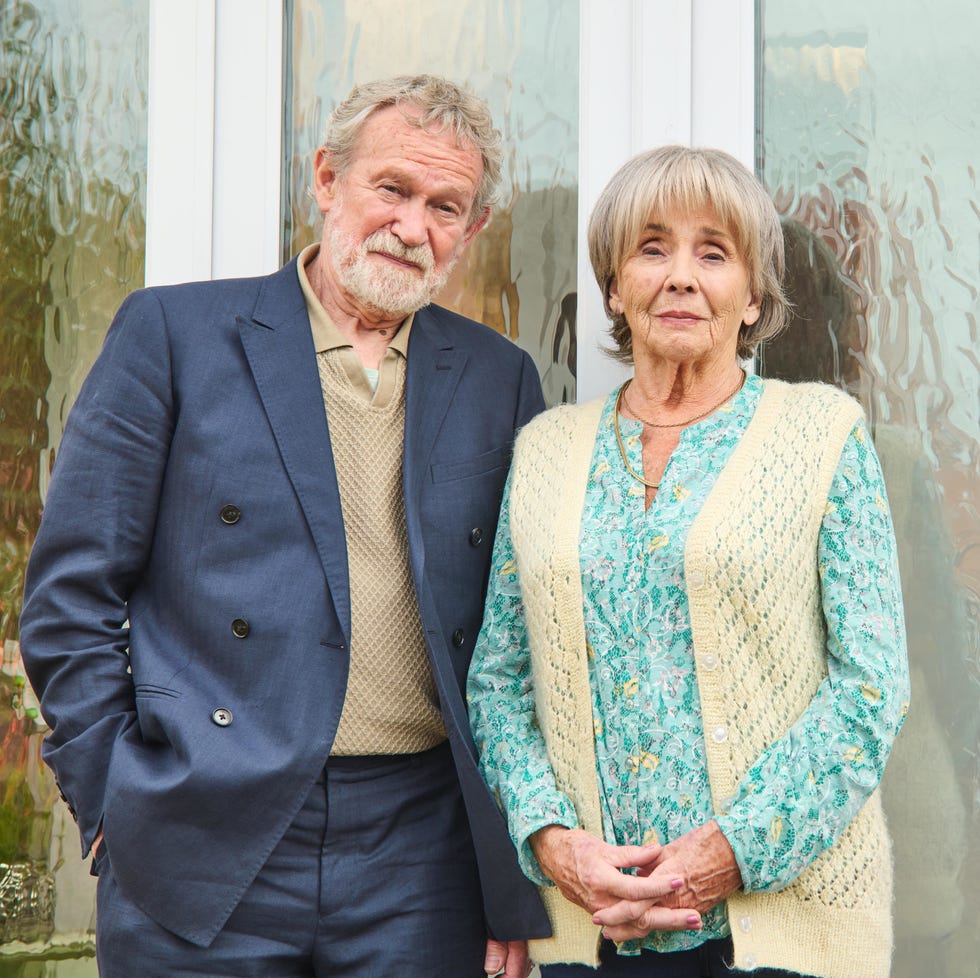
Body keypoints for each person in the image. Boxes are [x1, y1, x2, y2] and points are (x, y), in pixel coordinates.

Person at [19, 74, 549, 977]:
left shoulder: (500, 377)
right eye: (392, 188)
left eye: (444, 206)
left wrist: (509, 874)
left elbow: (519, 638)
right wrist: (110, 795)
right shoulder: (175, 334)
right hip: (204, 824)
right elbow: (70, 594)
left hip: (421, 852)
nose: (412, 226)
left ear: (474, 229)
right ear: (327, 179)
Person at [467, 145, 909, 978]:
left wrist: (729, 854)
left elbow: (871, 688)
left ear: (754, 296)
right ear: (614, 287)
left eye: (713, 253)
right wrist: (554, 845)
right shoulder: (546, 449)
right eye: (651, 248)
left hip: (776, 938)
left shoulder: (821, 435)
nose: (679, 277)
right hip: (588, 932)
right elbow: (498, 683)